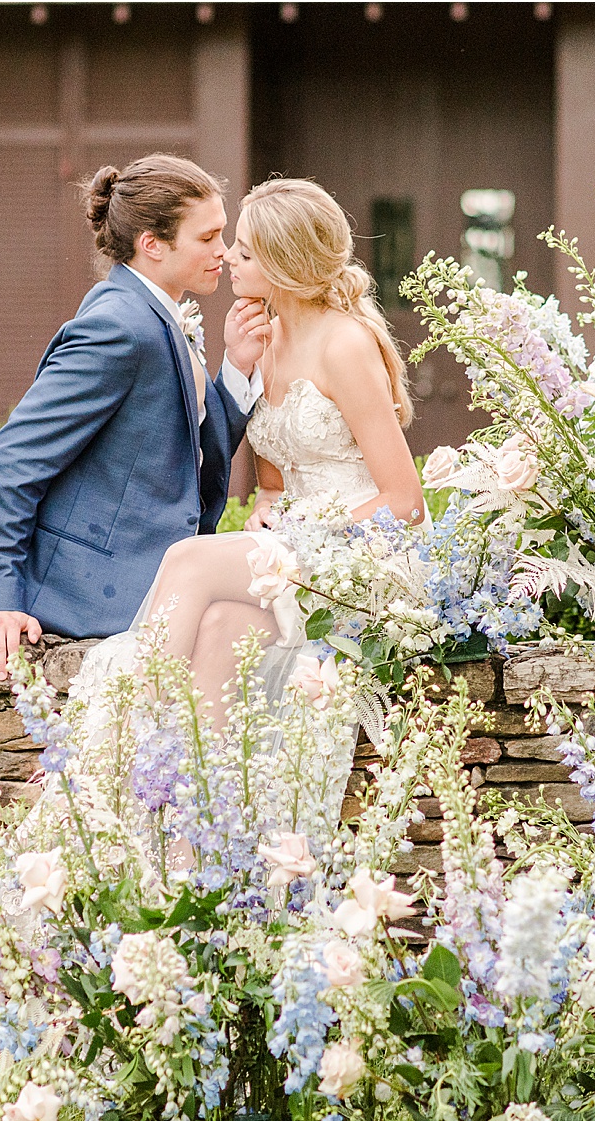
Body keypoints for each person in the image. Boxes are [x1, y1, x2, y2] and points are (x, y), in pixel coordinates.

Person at [73, 177, 426, 728]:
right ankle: (177, 793)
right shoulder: (267, 340)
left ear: (284, 263)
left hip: (363, 558)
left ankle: (115, 736)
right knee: (217, 628)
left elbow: (405, 502)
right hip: (294, 557)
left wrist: (302, 534)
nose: (227, 258)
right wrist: (267, 508)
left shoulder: (345, 344)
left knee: (188, 558)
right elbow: (275, 485)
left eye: (243, 250)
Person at [0, 154, 272, 677]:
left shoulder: (157, 313)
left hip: (162, 574)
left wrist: (237, 371)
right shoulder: (117, 327)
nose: (223, 252)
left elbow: (188, 455)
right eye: (207, 238)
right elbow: (12, 463)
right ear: (152, 245)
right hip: (93, 592)